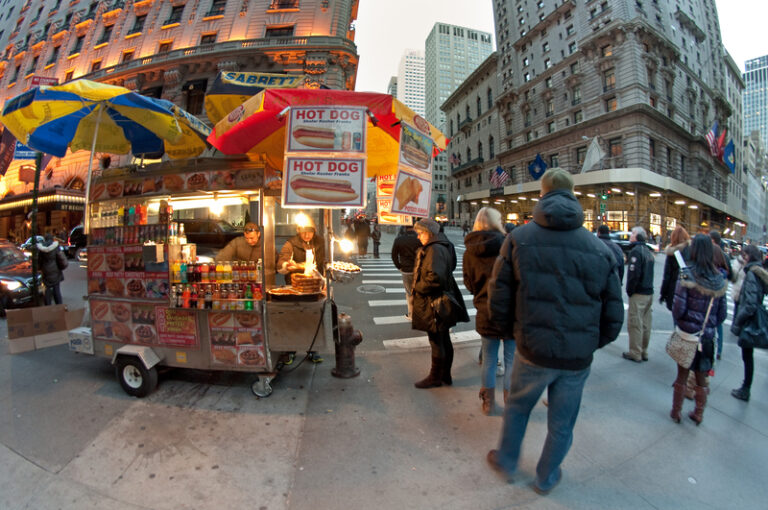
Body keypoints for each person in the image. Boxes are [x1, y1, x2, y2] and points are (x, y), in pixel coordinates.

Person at [486, 168, 623, 495]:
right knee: (562, 424)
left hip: (532, 349)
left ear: (543, 195)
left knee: (518, 408)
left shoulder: (518, 238)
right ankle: (546, 478)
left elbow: (499, 296)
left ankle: (506, 461)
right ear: (573, 196)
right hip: (576, 359)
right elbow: (614, 314)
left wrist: (513, 334)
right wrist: (589, 344)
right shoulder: (601, 249)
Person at [669, 234, 727, 425]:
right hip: (706, 338)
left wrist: (683, 323)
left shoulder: (687, 273)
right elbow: (722, 315)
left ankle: (676, 411)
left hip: (687, 335)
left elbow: (678, 308)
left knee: (682, 376)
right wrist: (708, 326)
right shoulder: (719, 279)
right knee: (701, 378)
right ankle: (699, 413)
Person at [463, 207, 514, 415]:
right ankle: (511, 402)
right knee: (511, 358)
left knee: (490, 359)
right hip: (511, 309)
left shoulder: (470, 250)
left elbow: (469, 282)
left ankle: (488, 403)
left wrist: (481, 294)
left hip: (485, 309)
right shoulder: (509, 244)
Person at [411, 218, 469, 389]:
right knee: (444, 339)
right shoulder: (444, 245)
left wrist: (418, 287)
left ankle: (435, 377)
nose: (418, 237)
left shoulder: (434, 249)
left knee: (437, 340)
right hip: (441, 301)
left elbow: (435, 278)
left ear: (429, 233)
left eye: (420, 233)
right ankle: (445, 375)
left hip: (433, 303)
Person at [730, 244, 768, 402]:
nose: (742, 259)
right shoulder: (757, 272)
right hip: (752, 317)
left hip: (750, 320)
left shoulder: (752, 274)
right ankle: (745, 387)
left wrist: (739, 321)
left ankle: (745, 389)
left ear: (750, 257)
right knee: (748, 355)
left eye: (745, 256)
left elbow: (751, 303)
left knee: (747, 355)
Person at [623, 226, 655, 362]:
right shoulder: (648, 251)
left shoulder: (636, 252)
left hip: (639, 292)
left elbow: (633, 275)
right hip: (649, 291)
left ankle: (635, 352)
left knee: (635, 323)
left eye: (633, 233)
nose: (630, 236)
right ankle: (644, 350)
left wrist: (630, 290)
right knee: (646, 323)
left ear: (637, 236)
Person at [277, 217, 326, 285]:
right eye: (303, 232)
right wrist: (286, 265)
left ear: (314, 231)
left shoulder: (321, 242)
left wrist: (326, 281)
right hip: (295, 286)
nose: (306, 235)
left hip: (317, 285)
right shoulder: (291, 243)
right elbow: (280, 264)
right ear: (298, 231)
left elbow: (326, 263)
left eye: (309, 232)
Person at [709, 231, 732, 360]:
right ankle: (719, 350)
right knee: (719, 323)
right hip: (720, 293)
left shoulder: (711, 254)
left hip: (712, 295)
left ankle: (714, 349)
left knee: (713, 322)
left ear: (713, 241)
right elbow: (731, 275)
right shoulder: (725, 256)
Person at [391, 225, 421, 318]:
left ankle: (411, 314)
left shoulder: (399, 240)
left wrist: (399, 266)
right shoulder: (420, 238)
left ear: (404, 228)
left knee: (409, 293)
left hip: (406, 270)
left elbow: (394, 256)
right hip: (419, 270)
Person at [659, 226, 692, 311]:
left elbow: (667, 276)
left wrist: (663, 294)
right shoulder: (692, 250)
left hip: (675, 290)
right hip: (691, 291)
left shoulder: (672, 253)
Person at [37, 233, 67, 305]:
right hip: (55, 270)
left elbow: (39, 261)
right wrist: (61, 267)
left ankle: (48, 305)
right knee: (56, 289)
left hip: (46, 271)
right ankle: (59, 305)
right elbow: (60, 259)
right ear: (52, 239)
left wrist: (40, 269)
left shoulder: (41, 248)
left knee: (47, 289)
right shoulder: (56, 247)